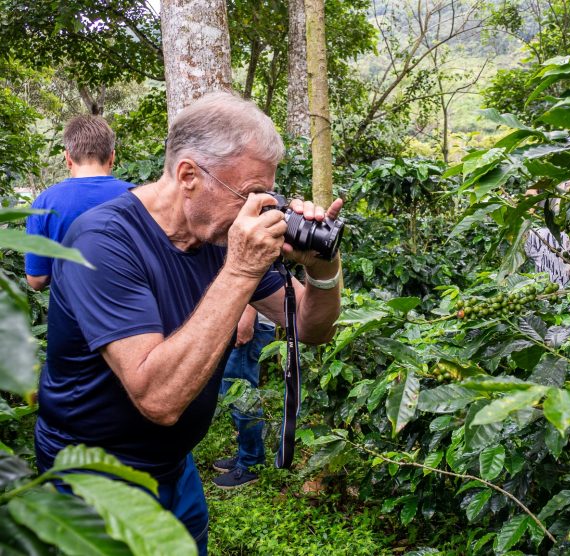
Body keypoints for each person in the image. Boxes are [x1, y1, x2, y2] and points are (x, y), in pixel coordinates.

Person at [34, 91, 343, 554]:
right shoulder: (102, 242)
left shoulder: (217, 234)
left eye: (266, 194)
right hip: (92, 478)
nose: (257, 208)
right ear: (188, 175)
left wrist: (322, 267)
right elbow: (158, 397)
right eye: (249, 193)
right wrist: (240, 269)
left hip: (173, 467)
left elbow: (311, 328)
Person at [25, 114, 133, 290]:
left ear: (68, 158)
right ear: (112, 157)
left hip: (69, 312)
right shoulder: (139, 196)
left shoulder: (44, 203)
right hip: (131, 311)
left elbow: (36, 280)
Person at [212, 305, 276, 489]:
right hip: (239, 319)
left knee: (242, 395)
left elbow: (254, 278)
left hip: (248, 321)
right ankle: (245, 454)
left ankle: (250, 464)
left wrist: (247, 318)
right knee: (234, 393)